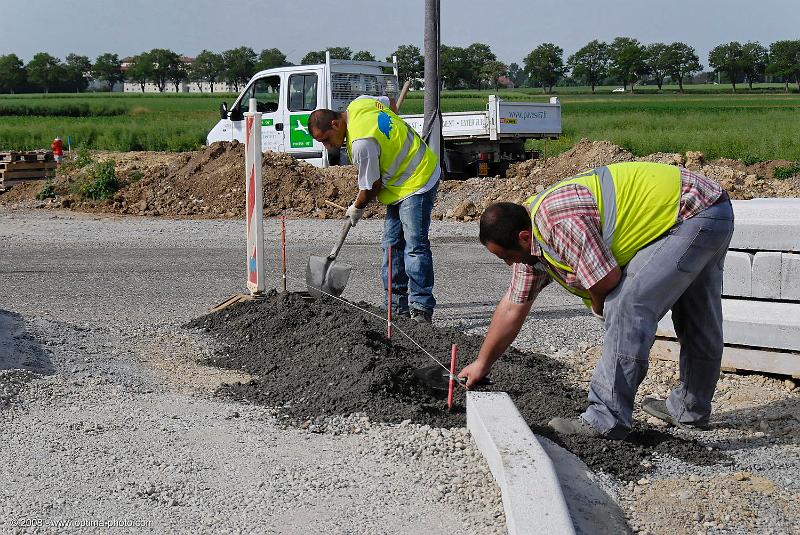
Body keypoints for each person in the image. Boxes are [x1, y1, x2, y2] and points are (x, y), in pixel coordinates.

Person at [458, 161, 734, 440]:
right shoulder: (530, 237)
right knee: (697, 315)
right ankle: (691, 409)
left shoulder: (556, 223)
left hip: (689, 212)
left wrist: (598, 303)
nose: (508, 264)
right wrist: (482, 363)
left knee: (626, 306)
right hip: (712, 207)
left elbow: (606, 280)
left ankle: (605, 419)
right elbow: (511, 307)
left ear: (523, 237)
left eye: (506, 257)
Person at [308, 96, 441, 323]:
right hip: (397, 184)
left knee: (414, 247)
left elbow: (372, 186)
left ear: (335, 124)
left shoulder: (361, 142)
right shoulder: (358, 104)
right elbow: (389, 102)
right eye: (322, 143)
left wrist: (356, 208)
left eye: (327, 140)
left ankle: (420, 308)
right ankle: (395, 307)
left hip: (418, 178)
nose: (328, 146)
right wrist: (391, 135)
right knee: (391, 246)